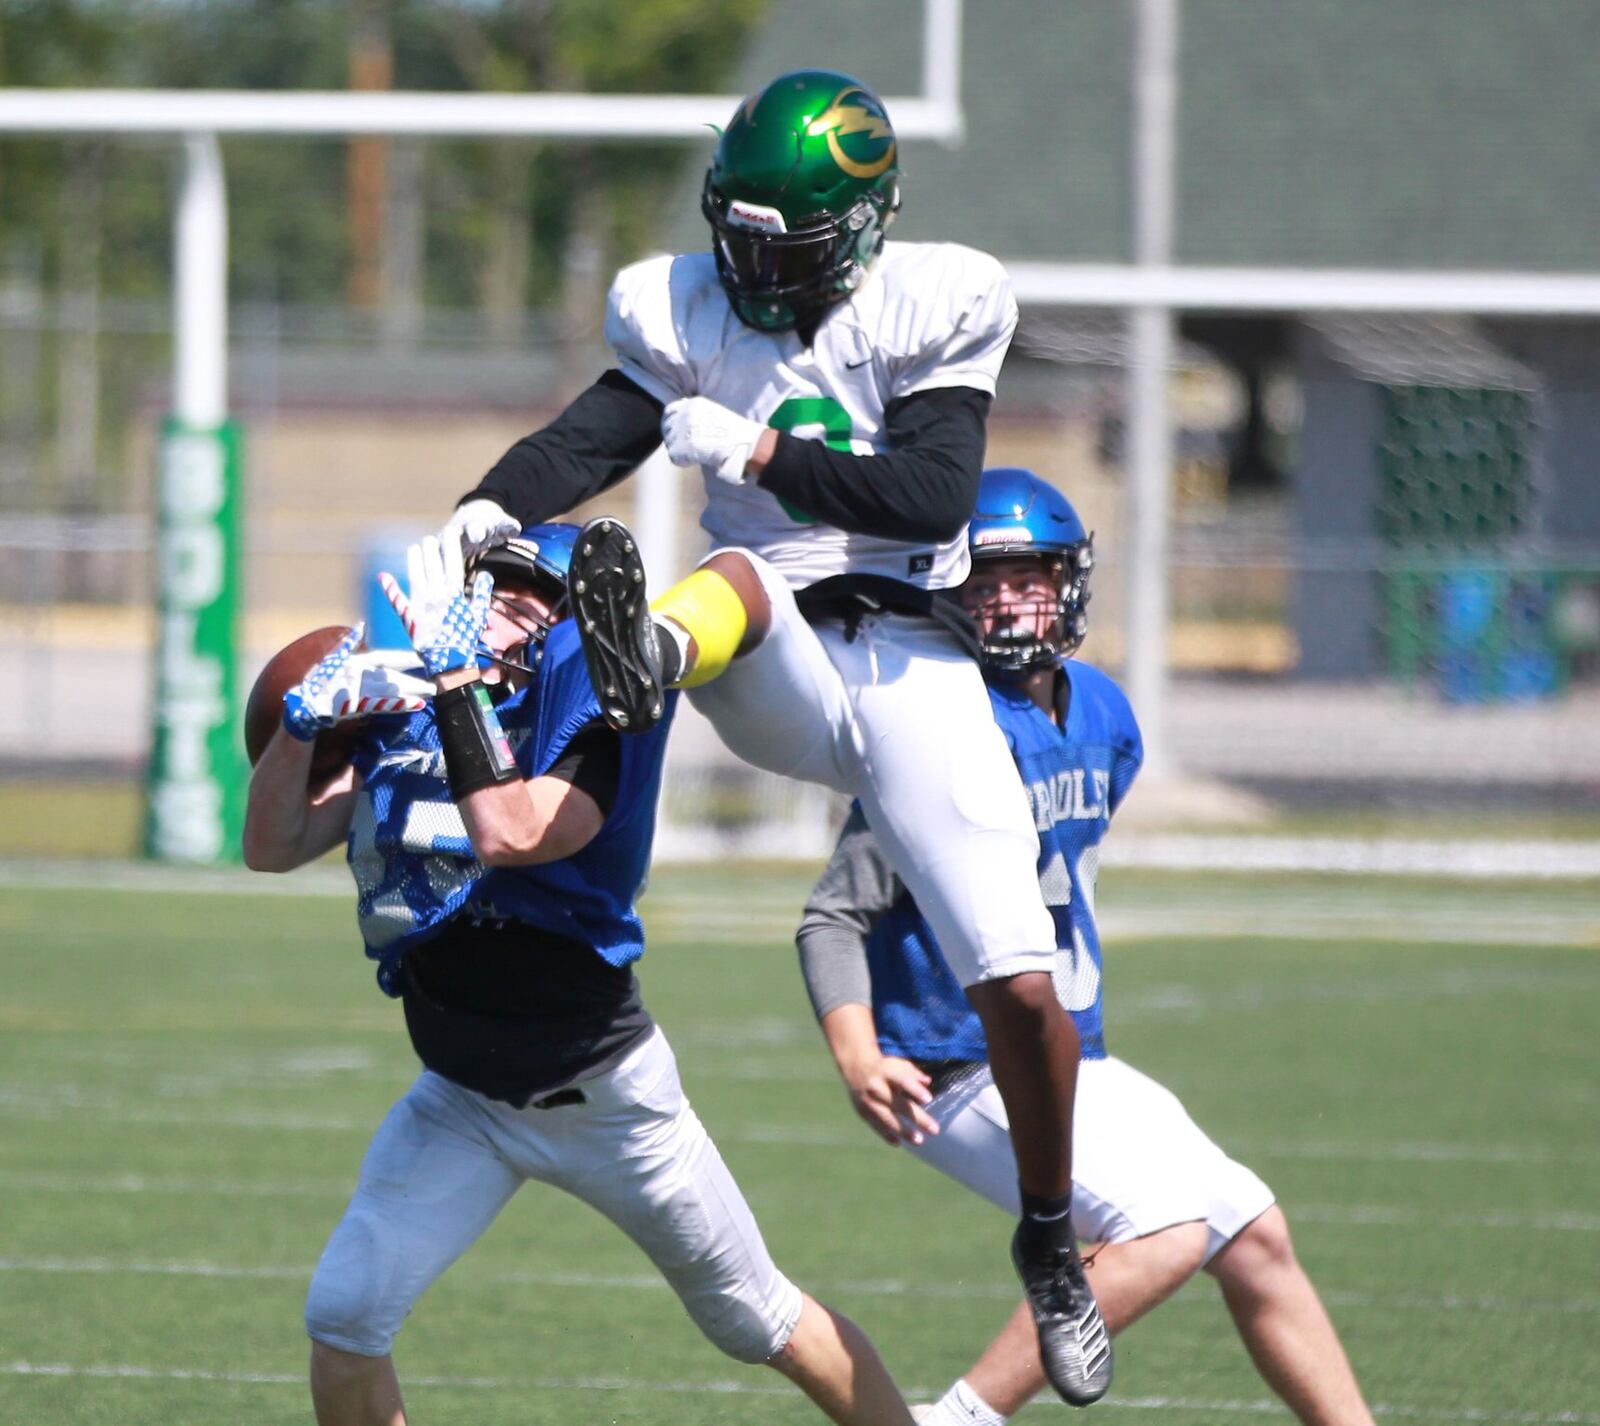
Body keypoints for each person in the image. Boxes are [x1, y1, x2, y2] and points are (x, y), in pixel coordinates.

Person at [439, 70, 1110, 1405]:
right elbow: (586, 441)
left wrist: (750, 449)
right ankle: (646, 653)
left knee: (1022, 988)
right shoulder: (678, 305)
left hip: (915, 655)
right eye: (731, 233)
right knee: (735, 583)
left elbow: (932, 487)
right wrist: (484, 507)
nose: (743, 267)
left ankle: (1047, 1237)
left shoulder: (938, 297)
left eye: (777, 246)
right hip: (764, 649)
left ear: (860, 234)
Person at [241, 525, 918, 1426]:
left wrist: (452, 685)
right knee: (345, 1319)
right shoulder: (414, 705)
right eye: (498, 590)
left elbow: (513, 832)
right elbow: (270, 845)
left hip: (606, 1101)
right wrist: (300, 730)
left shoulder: (599, 724)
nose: (509, 613)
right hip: (463, 1098)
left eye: (539, 601)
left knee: (760, 1319)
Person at [795, 468, 1378, 1426]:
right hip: (960, 1062)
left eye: (1032, 575)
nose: (1011, 597)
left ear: (1071, 583)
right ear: (946, 590)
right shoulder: (939, 735)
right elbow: (832, 914)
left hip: (1068, 1045)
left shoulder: (1102, 713)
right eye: (986, 579)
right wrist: (860, 1050)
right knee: (1165, 1231)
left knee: (1256, 1234)